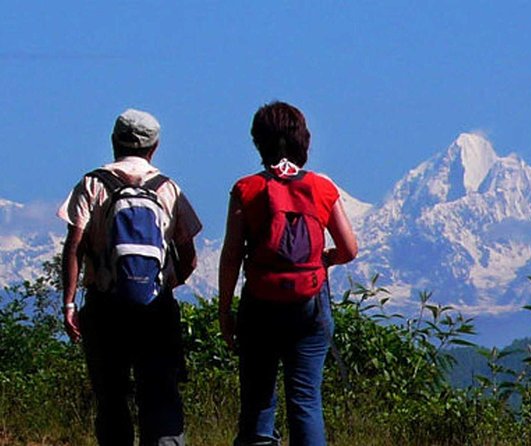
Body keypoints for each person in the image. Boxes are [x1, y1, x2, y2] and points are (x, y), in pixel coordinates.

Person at [59, 109, 202, 446]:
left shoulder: (92, 184)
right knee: (161, 396)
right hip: (156, 310)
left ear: (113, 141)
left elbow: (74, 247)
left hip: (105, 306)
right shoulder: (168, 189)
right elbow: (191, 257)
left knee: (111, 399)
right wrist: (162, 284)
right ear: (154, 147)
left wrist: (68, 303)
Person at [218, 101, 358, 446]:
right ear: (303, 140)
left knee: (258, 400)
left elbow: (232, 254)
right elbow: (350, 249)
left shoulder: (246, 189)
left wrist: (225, 311)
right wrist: (325, 260)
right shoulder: (322, 187)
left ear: (259, 142)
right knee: (306, 400)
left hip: (260, 304)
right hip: (310, 304)